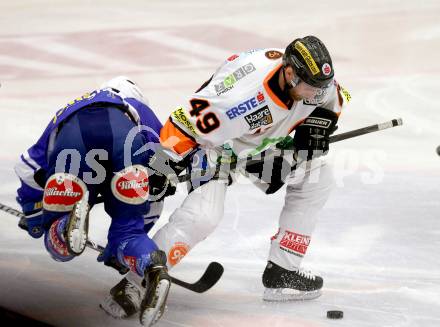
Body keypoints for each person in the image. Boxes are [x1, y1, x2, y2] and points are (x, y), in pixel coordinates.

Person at [150, 35, 350, 302]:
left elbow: (333, 99)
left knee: (318, 177)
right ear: (289, 73)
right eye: (311, 88)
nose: (317, 94)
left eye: (320, 87)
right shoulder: (242, 94)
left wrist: (318, 128)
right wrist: (161, 165)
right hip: (216, 147)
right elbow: (184, 121)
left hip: (262, 145)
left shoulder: (316, 83)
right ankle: (139, 277)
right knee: (204, 216)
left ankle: (283, 271)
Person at [14, 76, 172, 326]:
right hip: (125, 144)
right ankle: (153, 268)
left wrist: (35, 216)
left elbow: (27, 166)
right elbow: (167, 157)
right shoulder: (138, 108)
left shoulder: (68, 107)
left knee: (59, 239)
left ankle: (66, 224)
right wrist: (122, 250)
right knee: (128, 232)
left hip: (74, 142)